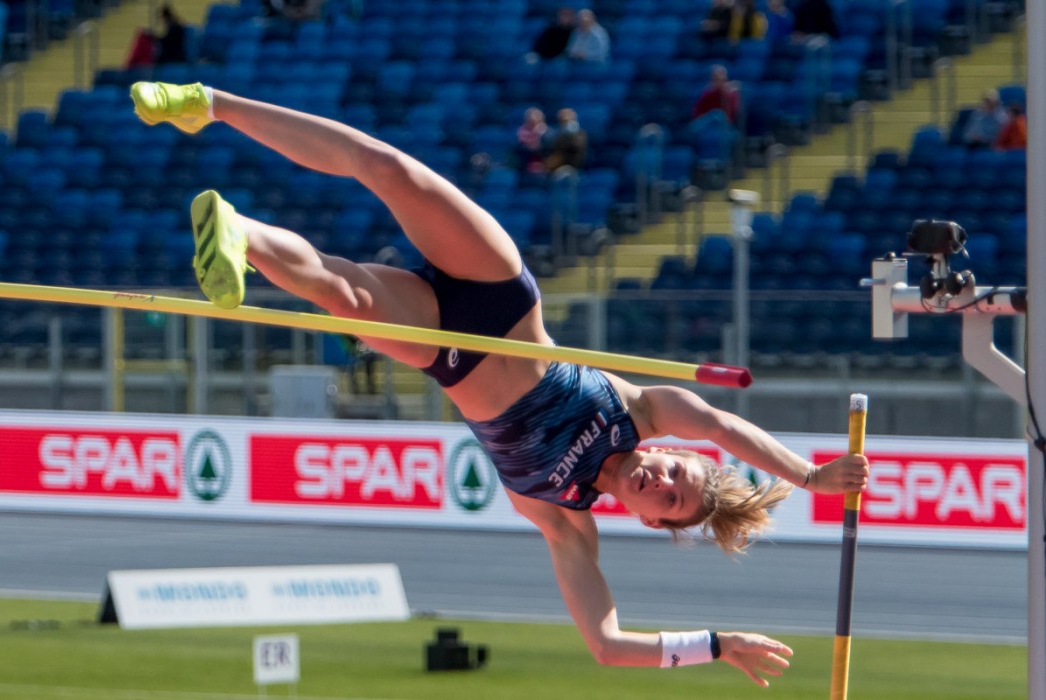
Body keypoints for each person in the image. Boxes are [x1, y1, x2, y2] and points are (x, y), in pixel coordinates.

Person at [129, 81, 869, 683]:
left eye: (669, 500)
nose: (664, 481)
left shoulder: (565, 519)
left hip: (446, 353)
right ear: (672, 452)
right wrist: (808, 477)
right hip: (499, 291)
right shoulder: (643, 411)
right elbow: (723, 426)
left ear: (650, 521)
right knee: (387, 168)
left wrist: (716, 644)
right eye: (678, 472)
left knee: (340, 292)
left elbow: (608, 645)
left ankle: (236, 233)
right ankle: (209, 103)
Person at [543, 107, 587, 172]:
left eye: (566, 121)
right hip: (557, 167)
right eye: (562, 121)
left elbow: (575, 147)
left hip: (573, 166)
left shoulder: (580, 134)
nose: (564, 124)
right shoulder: (557, 134)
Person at [516, 106, 549, 174]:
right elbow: (521, 149)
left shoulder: (548, 133)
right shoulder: (521, 132)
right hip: (525, 165)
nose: (534, 124)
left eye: (536, 121)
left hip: (544, 165)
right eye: (531, 121)